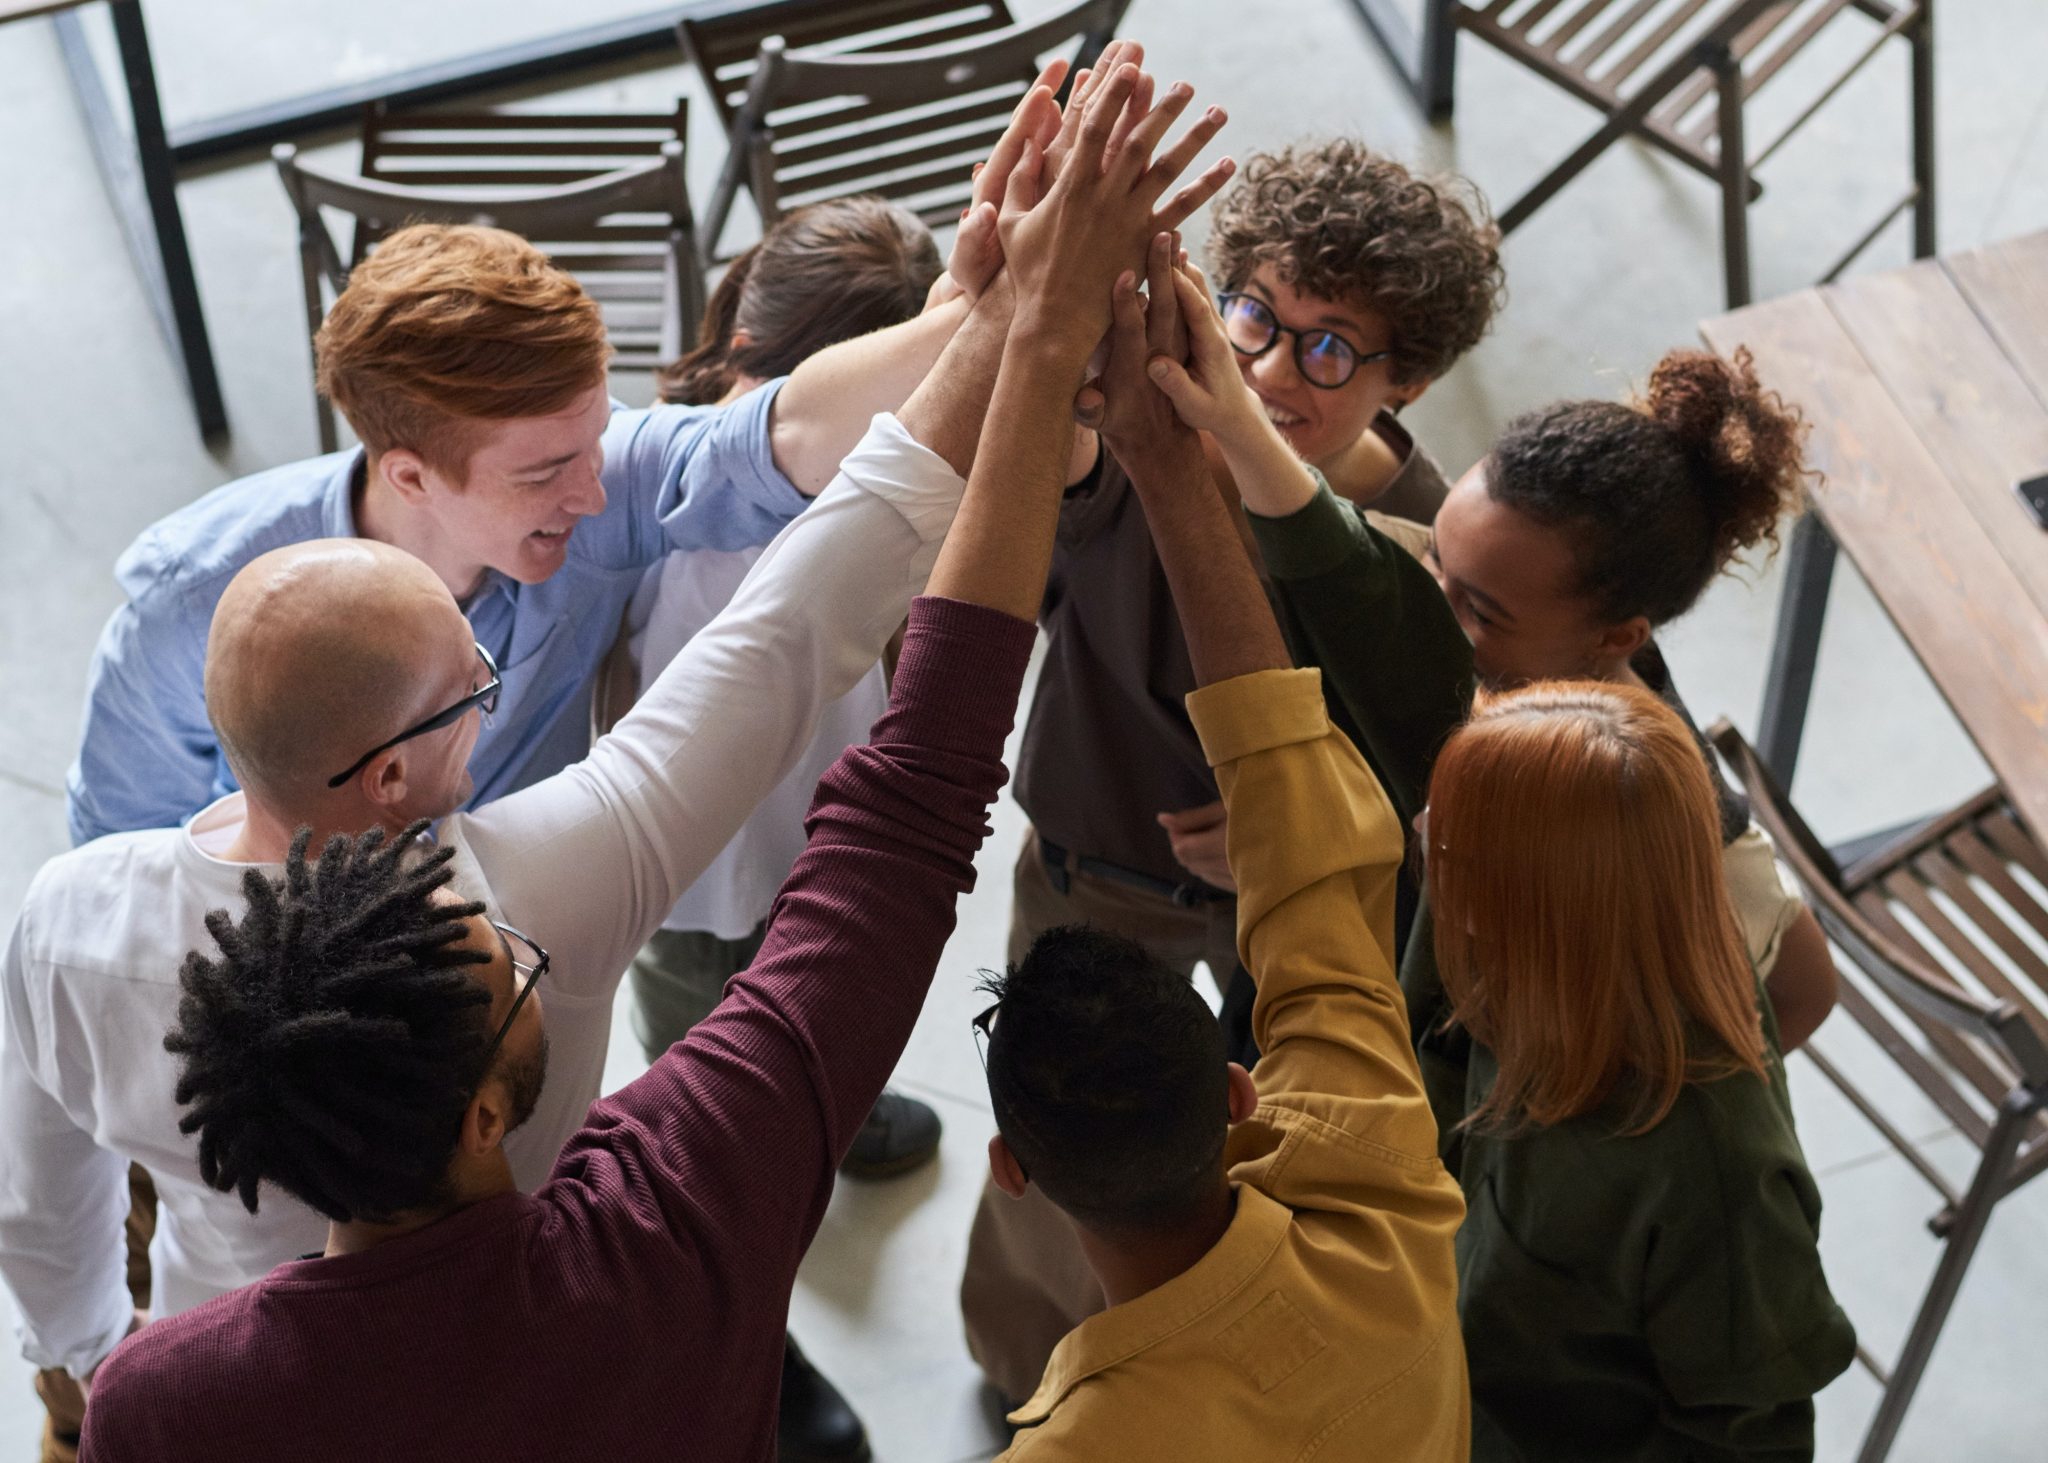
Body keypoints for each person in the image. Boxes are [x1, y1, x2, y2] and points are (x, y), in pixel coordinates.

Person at [75, 58, 1228, 1462]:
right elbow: (842, 723)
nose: (600, 483)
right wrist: (1036, 346)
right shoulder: (549, 918)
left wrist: (982, 319)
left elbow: (771, 447)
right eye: (546, 466)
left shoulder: (168, 1389)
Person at [1149, 265, 1855, 1455]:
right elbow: (1370, 595)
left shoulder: (1696, 1153)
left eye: (1440, 851)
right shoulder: (1499, 737)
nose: (1418, 847)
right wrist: (1228, 419)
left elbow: (1744, 1416)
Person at [963, 138, 1505, 1403]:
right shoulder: (1141, 427)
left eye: (1328, 348)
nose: (1264, 371)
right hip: (1094, 887)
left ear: (1408, 377)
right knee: (1066, 1175)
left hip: (1296, 924)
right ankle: (1023, 1369)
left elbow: (1429, 744)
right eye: (1255, 315)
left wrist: (1296, 813)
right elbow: (1047, 483)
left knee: (1260, 1157)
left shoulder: (1419, 541)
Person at [623, 196, 949, 1188]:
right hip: (697, 869)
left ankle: (823, 1120)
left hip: (786, 829)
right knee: (706, 1065)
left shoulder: (675, 436)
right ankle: (726, 1177)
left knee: (807, 1006)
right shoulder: (704, 514)